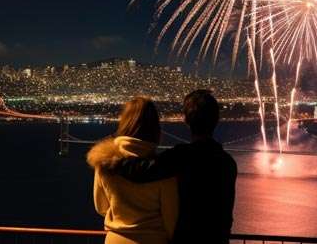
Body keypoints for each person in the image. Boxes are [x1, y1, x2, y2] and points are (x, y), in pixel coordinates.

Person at [114, 90, 237, 244]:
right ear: (216, 119)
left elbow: (142, 172)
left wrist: (111, 159)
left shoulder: (181, 156)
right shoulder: (228, 163)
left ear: (186, 120)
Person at [86, 97, 178, 244]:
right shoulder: (164, 169)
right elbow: (171, 219)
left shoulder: (104, 162)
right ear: (155, 128)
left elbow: (101, 207)